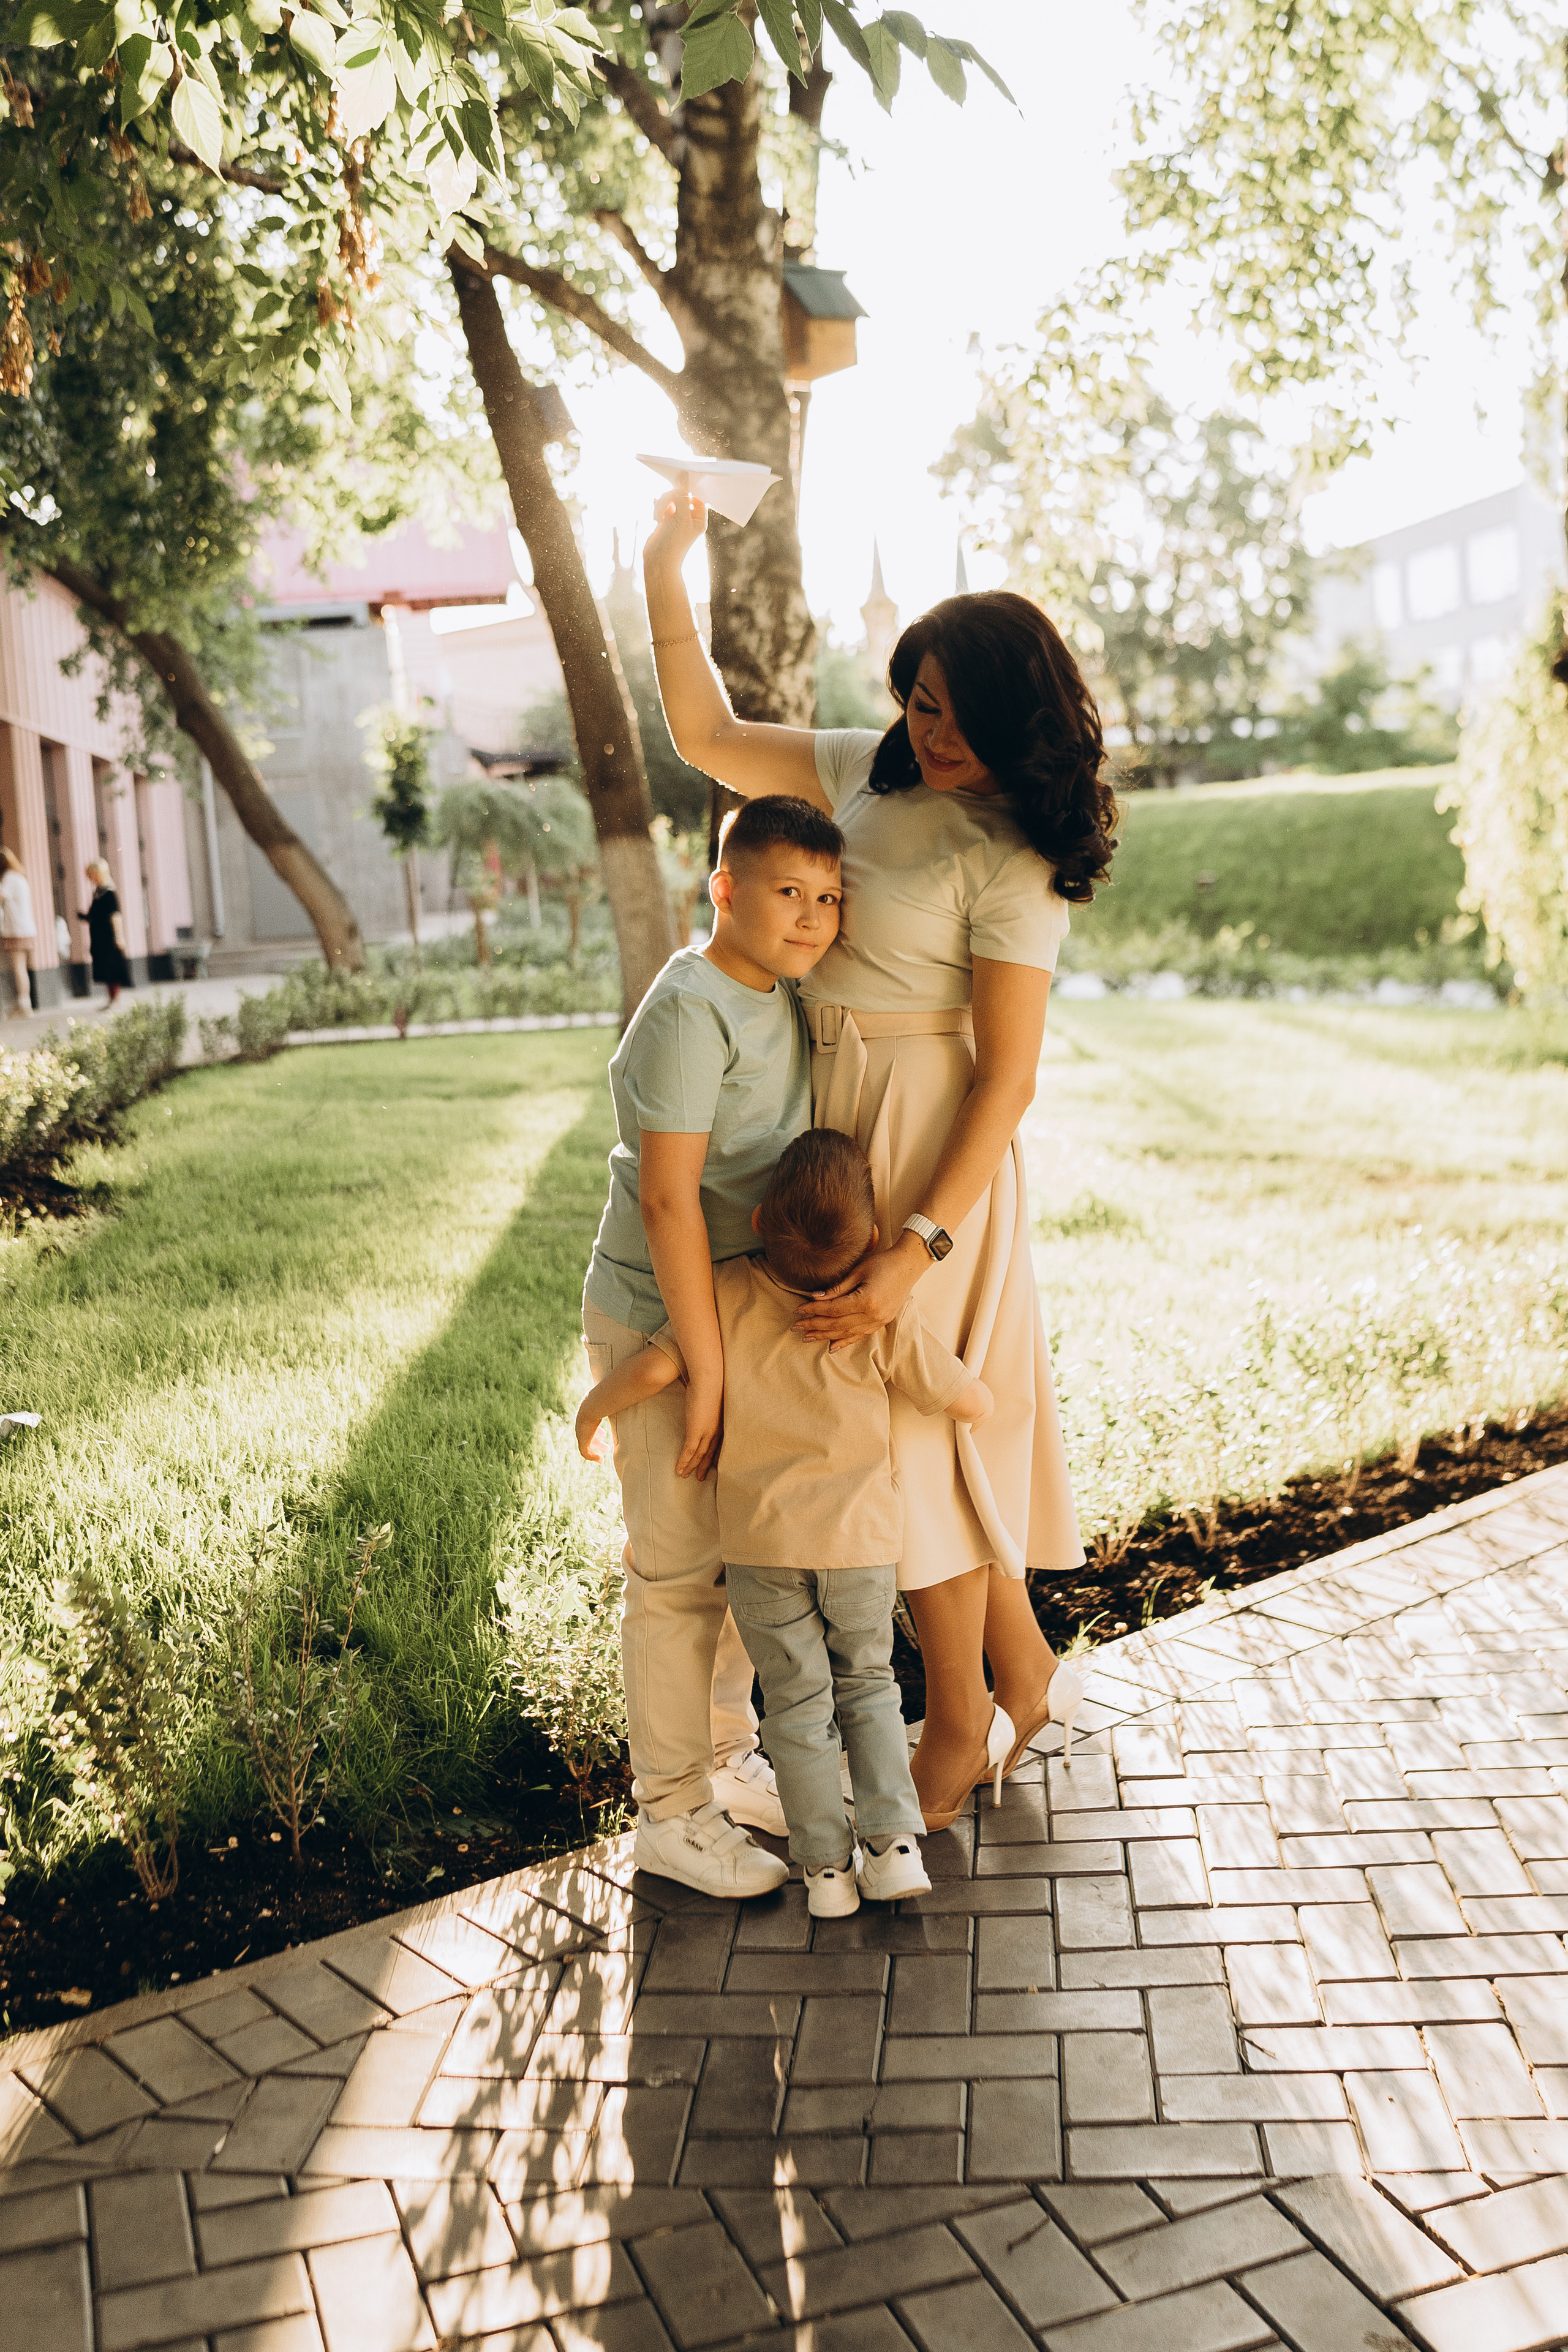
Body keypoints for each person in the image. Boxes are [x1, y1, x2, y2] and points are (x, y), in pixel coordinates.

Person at [643, 499, 1116, 1828]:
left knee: (900, 1439)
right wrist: (664, 567)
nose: (932, 732)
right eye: (918, 702)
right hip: (828, 1122)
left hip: (926, 1149)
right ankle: (1022, 1675)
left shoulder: (1014, 854)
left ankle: (956, 1727)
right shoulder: (867, 765)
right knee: (901, 1437)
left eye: (958, 715)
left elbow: (1006, 1076)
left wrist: (919, 1250)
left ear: (1019, 717)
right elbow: (704, 736)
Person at [579, 1128, 995, 1917]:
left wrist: (594, 1407)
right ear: (872, 1238)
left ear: (758, 1220)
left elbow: (659, 1365)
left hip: (762, 1555)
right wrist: (985, 1404)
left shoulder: (725, 1292)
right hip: (858, 1549)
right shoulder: (875, 1312)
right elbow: (958, 1393)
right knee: (868, 1690)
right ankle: (892, 1851)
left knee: (796, 1708)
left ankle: (825, 1874)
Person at [582, 792, 846, 1898]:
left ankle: (728, 1760)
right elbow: (667, 1202)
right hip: (663, 1313)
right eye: (789, 891)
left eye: (829, 897)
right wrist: (702, 1370)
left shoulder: (780, 992)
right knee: (677, 1574)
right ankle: (670, 1811)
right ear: (723, 890)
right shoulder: (692, 1010)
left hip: (733, 1315)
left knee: (740, 1559)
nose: (813, 916)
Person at [81, 861, 134, 1005]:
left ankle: (115, 999)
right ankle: (111, 998)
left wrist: (119, 935)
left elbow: (115, 915)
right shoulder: (98, 892)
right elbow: (95, 914)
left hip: (109, 936)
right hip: (98, 936)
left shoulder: (109, 892)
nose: (90, 878)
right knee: (104, 966)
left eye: (92, 874)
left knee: (112, 966)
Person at [0, 847, 36, 1019]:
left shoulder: (9, 879)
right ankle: (24, 1004)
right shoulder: (20, 878)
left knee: (18, 967)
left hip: (16, 930)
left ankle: (24, 1005)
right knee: (22, 967)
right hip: (26, 928)